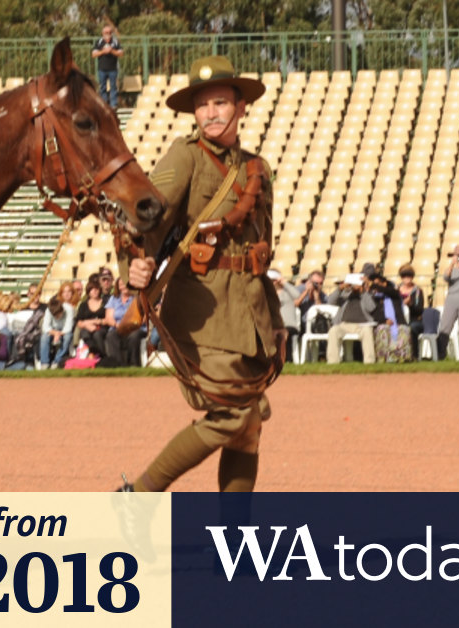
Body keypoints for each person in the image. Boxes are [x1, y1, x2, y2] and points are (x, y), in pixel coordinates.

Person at [120, 55, 282, 493]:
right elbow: (142, 219)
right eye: (203, 105)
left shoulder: (257, 168)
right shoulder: (185, 157)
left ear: (240, 107)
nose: (210, 113)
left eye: (220, 103)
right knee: (232, 416)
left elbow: (260, 239)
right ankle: (139, 495)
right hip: (201, 316)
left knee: (248, 427)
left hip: (248, 316)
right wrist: (134, 265)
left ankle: (233, 546)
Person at [326, 272, 376, 364]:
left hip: (362, 325)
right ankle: (332, 362)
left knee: (367, 332)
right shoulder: (345, 295)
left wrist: (363, 292)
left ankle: (369, 361)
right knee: (333, 331)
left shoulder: (367, 294)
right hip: (344, 324)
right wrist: (341, 288)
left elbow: (371, 307)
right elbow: (330, 301)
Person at [103, 280, 141, 367]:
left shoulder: (137, 298)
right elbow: (109, 318)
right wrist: (117, 325)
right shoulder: (113, 299)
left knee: (134, 336)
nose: (123, 287)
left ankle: (134, 364)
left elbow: (143, 316)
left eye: (125, 284)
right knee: (111, 335)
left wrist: (131, 326)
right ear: (118, 287)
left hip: (135, 327)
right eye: (121, 285)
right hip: (118, 327)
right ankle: (118, 364)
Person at [268, 270, 300, 363]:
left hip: (289, 325)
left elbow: (297, 295)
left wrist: (284, 282)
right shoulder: (267, 295)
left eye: (274, 281)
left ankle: (287, 359)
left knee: (283, 333)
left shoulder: (287, 293)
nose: (272, 283)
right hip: (273, 326)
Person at [91, 25, 124, 110]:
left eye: (110, 32)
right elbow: (94, 54)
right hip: (102, 69)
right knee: (102, 87)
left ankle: (113, 105)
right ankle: (104, 104)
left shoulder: (115, 41)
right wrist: (103, 51)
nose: (108, 34)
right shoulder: (99, 42)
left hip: (113, 69)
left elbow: (121, 53)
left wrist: (111, 51)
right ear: (102, 33)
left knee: (113, 87)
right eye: (106, 32)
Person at [75, 279, 109, 358]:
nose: (95, 291)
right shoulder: (83, 305)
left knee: (97, 334)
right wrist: (88, 325)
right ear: (88, 291)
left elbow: (107, 319)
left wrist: (95, 322)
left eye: (96, 289)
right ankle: (93, 350)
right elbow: (79, 321)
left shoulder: (105, 303)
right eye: (92, 289)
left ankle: (102, 355)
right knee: (84, 332)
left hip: (102, 327)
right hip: (87, 328)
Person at [38, 294, 74, 369]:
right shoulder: (48, 310)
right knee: (44, 337)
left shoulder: (69, 309)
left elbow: (68, 327)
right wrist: (55, 333)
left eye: (58, 315)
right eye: (55, 316)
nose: (57, 317)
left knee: (67, 337)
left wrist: (59, 334)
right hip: (52, 330)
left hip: (64, 331)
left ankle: (56, 361)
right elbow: (45, 327)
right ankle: (44, 363)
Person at [397, 264, 425, 352]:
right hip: (400, 319)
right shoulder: (396, 290)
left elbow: (419, 310)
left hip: (414, 320)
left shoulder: (417, 291)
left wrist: (410, 304)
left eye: (409, 276)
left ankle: (414, 354)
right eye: (404, 276)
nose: (407, 278)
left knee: (412, 328)